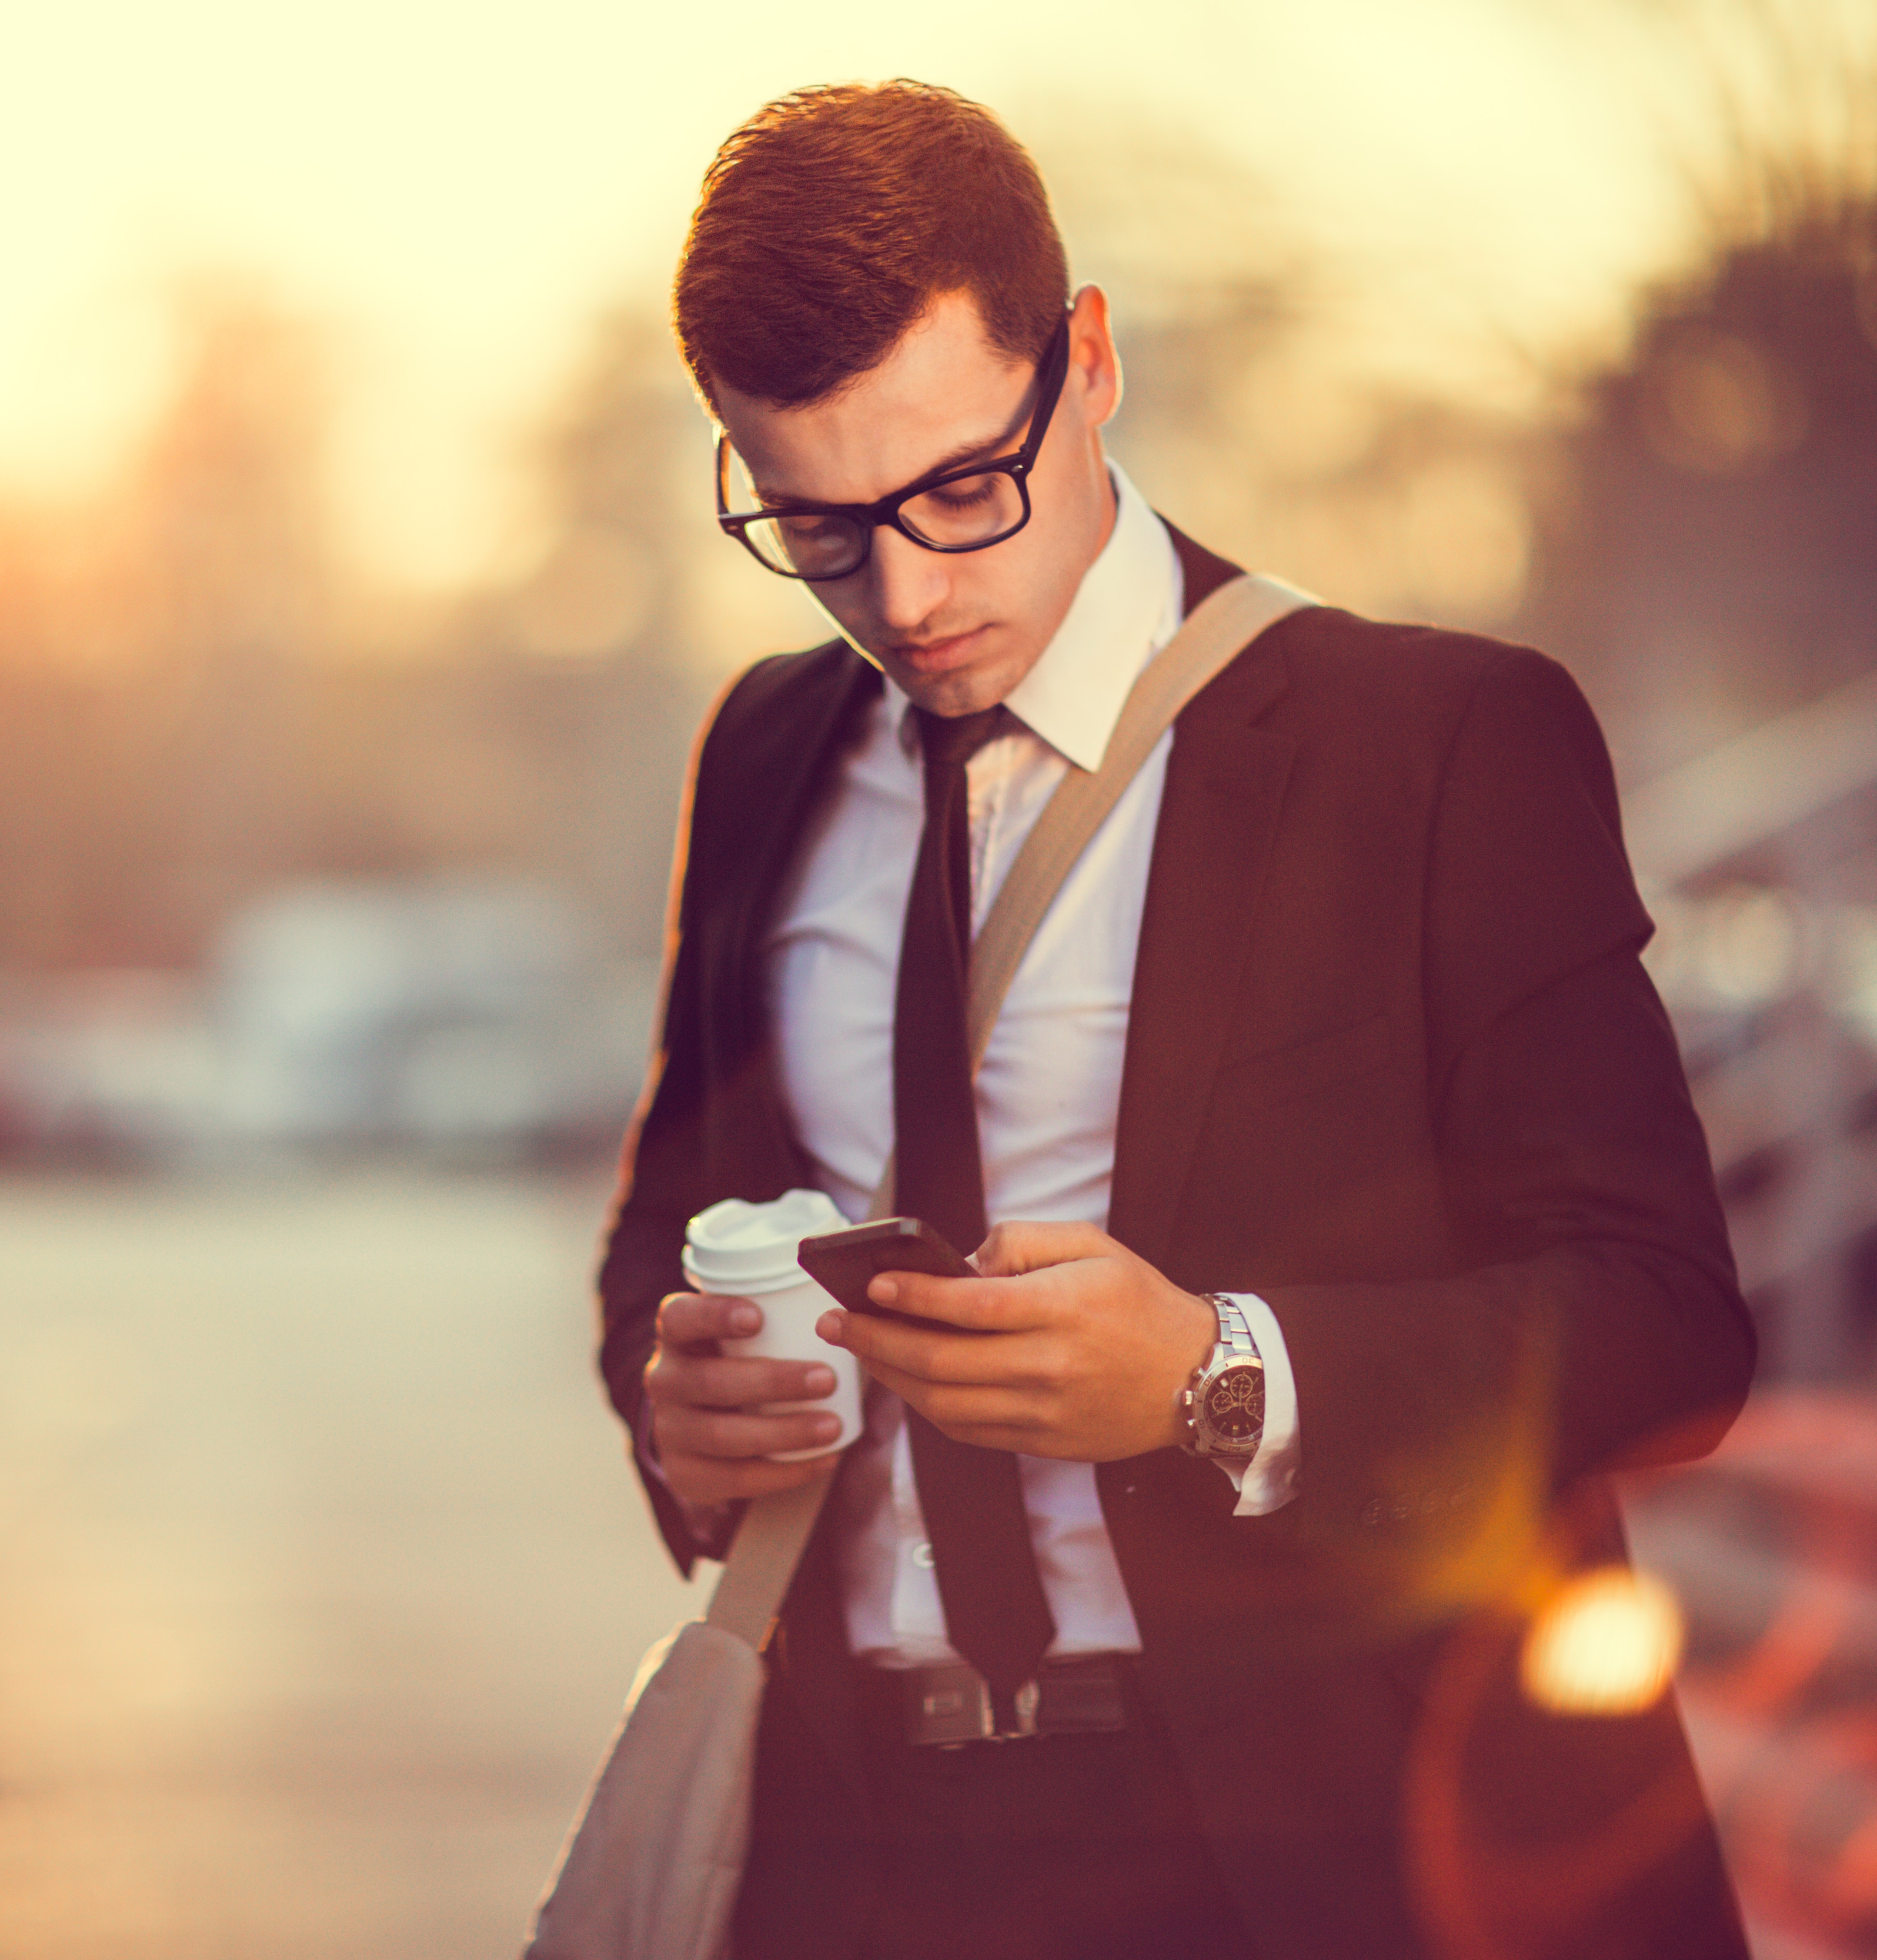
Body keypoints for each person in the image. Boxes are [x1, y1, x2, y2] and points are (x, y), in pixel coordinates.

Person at [595, 80, 1754, 1960]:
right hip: (846, 1852)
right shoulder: (761, 756)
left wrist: (1221, 1380)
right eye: (814, 529)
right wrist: (689, 1408)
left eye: (963, 485)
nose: (906, 591)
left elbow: (1667, 1327)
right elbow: (665, 1225)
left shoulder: (1444, 744)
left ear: (1094, 362)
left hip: (1325, 1858)